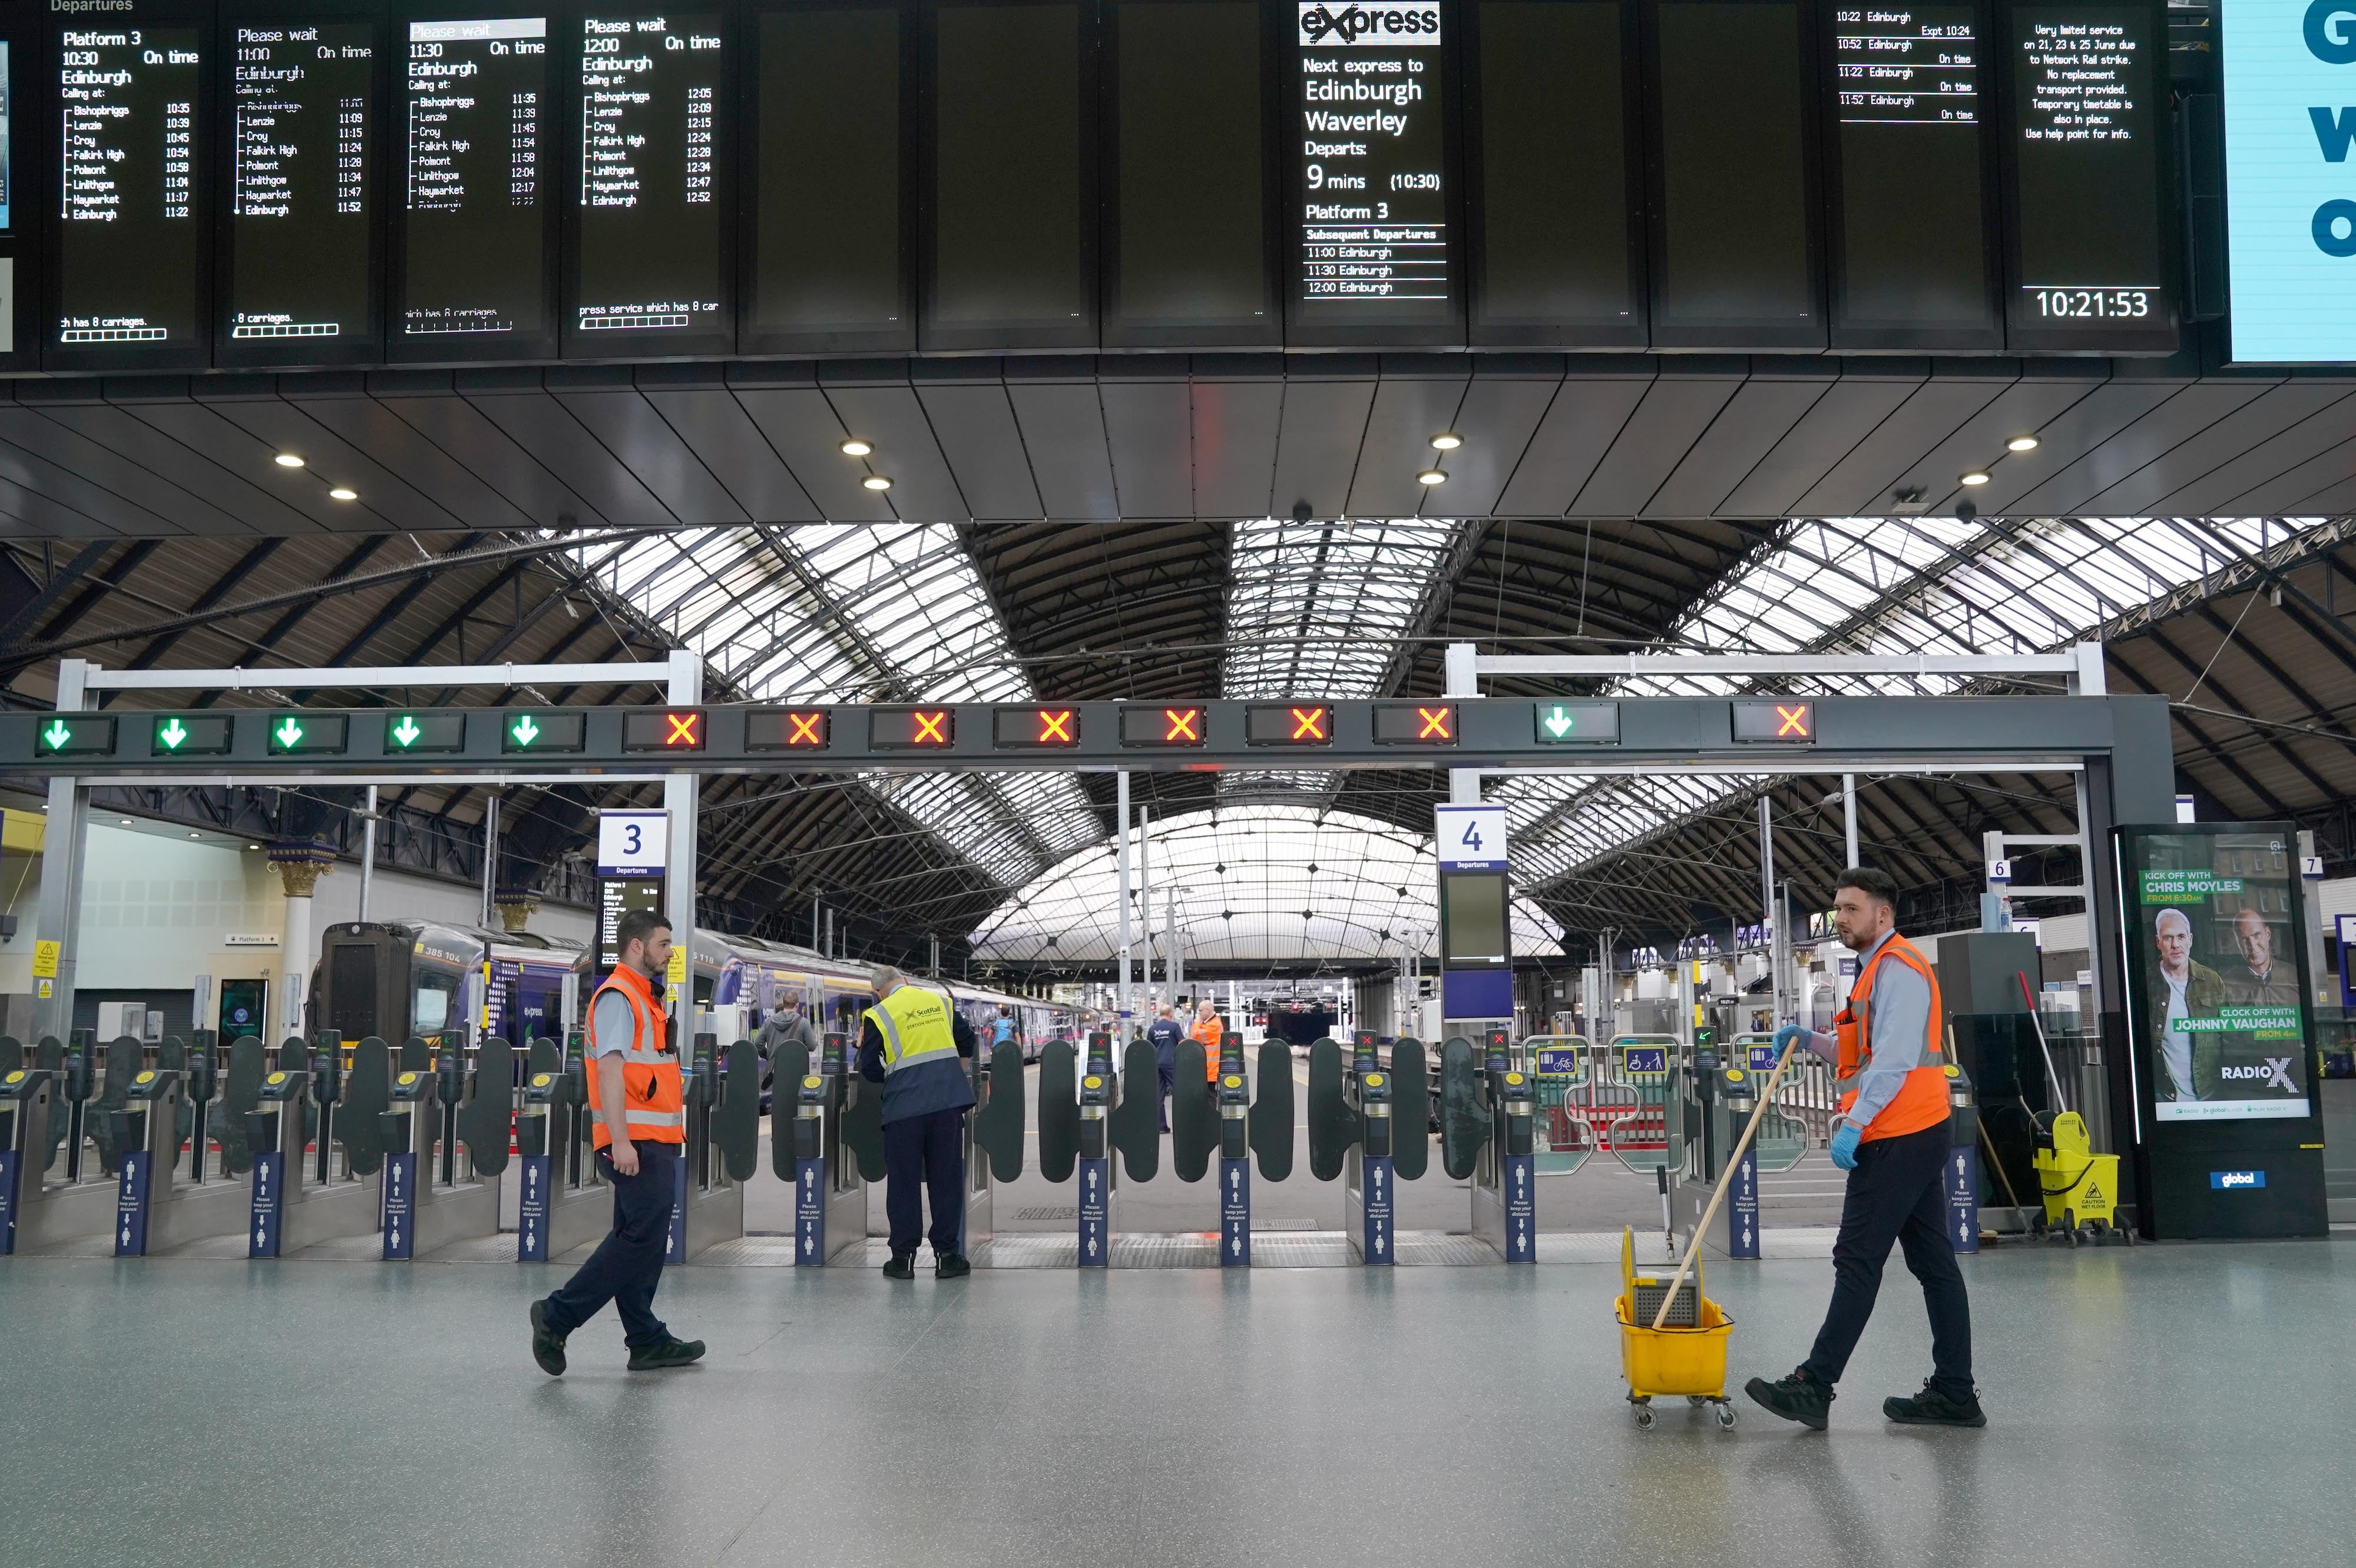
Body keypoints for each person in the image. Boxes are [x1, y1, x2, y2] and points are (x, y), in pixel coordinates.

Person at [1745, 867, 1979, 1430]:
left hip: (1897, 1134)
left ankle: (1815, 1385)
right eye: (1838, 909)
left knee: (1857, 1259)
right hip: (1916, 1130)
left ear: (1884, 914)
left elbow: (1897, 1061)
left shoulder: (1897, 968)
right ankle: (1955, 1393)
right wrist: (1810, 1039)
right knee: (1934, 1265)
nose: (1841, 919)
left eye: (1852, 909)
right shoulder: (1873, 970)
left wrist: (1856, 1123)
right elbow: (1866, 1055)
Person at [529, 911, 705, 1377]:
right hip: (635, 1142)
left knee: (640, 1239)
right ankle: (558, 1314)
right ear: (636, 946)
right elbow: (609, 1072)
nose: (670, 953)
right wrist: (621, 1141)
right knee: (642, 1237)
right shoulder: (618, 997)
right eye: (664, 944)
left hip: (655, 1137)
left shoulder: (647, 998)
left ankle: (646, 1339)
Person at [859, 965, 978, 1279]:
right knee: (946, 1180)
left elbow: (870, 1069)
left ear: (877, 992)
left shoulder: (878, 1015)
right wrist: (952, 1072)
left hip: (904, 1110)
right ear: (907, 982)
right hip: (947, 1105)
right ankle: (948, 1257)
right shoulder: (941, 1002)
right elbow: (967, 1041)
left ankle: (903, 1260)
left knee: (904, 1183)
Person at [2149, 907, 2228, 1102]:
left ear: (2190, 939)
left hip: (2210, 1096)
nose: (2176, 944)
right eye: (2168, 938)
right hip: (2166, 1099)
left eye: (2181, 937)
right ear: (2158, 942)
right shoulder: (2146, 982)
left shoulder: (2212, 980)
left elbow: (2229, 1035)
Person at [2223, 907, 2297, 1008]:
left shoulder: (2294, 975)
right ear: (2238, 944)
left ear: (2268, 934)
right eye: (2244, 940)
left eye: (2257, 935)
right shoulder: (2226, 985)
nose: (2253, 946)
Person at [1145, 1004, 1185, 1132]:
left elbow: (1148, 1048)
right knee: (1179, 1093)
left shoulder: (1153, 1029)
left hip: (1157, 1064)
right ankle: (1181, 1125)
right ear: (1171, 1015)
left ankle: (1162, 1126)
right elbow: (1182, 1043)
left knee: (1159, 1096)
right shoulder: (1174, 1027)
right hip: (1172, 1063)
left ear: (1160, 1014)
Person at [1189, 1000, 1223, 1086]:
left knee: (1210, 1096)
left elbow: (1195, 1037)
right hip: (1207, 1067)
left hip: (1211, 1068)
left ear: (1208, 1011)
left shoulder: (1214, 1025)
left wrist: (1197, 1023)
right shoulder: (1209, 1023)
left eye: (1200, 1011)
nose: (1199, 1013)